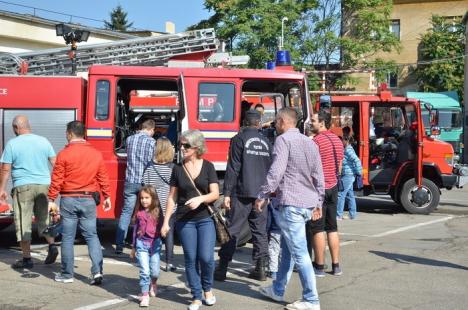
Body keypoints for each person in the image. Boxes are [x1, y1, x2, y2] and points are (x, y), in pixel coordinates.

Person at [255, 107, 324, 310]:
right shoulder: (309, 142)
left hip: (291, 203)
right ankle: (277, 289)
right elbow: (319, 175)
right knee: (288, 250)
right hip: (306, 202)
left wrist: (262, 194)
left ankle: (311, 299)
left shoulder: (283, 141)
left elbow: (276, 172)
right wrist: (318, 201)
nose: (275, 125)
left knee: (300, 253)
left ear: (283, 121)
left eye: (276, 121)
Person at [161, 129, 219, 310]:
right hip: (184, 220)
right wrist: (165, 222)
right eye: (180, 144)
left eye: (185, 145)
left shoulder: (208, 166)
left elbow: (215, 194)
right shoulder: (177, 169)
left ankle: (207, 289)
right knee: (190, 258)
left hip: (205, 218)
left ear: (196, 147)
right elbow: (172, 197)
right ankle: (196, 296)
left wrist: (200, 199)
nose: (181, 148)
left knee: (206, 257)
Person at [48, 121, 111, 284]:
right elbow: (103, 176)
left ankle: (67, 274)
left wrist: (51, 199)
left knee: (68, 237)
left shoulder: (64, 154)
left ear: (69, 134)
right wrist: (107, 196)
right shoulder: (96, 154)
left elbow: (57, 179)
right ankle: (97, 272)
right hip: (89, 199)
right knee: (92, 235)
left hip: (69, 199)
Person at [214, 110, 272, 282]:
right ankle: (260, 268)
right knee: (260, 231)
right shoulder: (267, 141)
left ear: (244, 122)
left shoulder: (238, 139)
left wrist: (227, 193)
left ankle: (222, 268)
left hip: (242, 191)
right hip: (261, 193)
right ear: (258, 123)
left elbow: (233, 168)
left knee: (232, 230)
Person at [0, 115, 58, 269]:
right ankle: (52, 246)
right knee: (44, 219)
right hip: (44, 185)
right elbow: (55, 163)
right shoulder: (43, 141)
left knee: (23, 222)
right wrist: (57, 185)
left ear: (16, 128)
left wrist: (1, 189)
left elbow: (5, 169)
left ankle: (26, 259)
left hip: (23, 187)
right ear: (28, 125)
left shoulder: (12, 144)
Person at [307, 110, 344, 277]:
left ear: (322, 123)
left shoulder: (317, 141)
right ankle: (336, 265)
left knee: (317, 229)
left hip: (319, 189)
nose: (310, 123)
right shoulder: (337, 140)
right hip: (334, 186)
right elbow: (340, 165)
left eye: (313, 120)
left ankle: (319, 266)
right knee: (332, 227)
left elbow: (311, 167)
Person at [115, 119, 156, 254]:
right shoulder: (151, 142)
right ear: (151, 130)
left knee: (126, 212)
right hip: (144, 182)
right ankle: (144, 242)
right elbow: (152, 161)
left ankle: (119, 246)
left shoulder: (130, 139)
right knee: (147, 212)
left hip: (130, 181)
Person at [142, 137, 176, 272]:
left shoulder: (150, 166)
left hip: (154, 205)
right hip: (168, 204)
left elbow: (145, 185)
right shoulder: (173, 168)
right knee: (169, 232)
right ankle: (169, 262)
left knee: (153, 232)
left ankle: (152, 259)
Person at [130, 186, 163, 307]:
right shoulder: (139, 213)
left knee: (154, 271)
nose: (144, 200)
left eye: (147, 198)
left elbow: (165, 227)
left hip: (155, 244)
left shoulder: (158, 212)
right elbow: (135, 231)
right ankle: (144, 295)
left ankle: (153, 283)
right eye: (142, 198)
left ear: (153, 198)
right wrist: (133, 247)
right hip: (141, 244)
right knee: (144, 271)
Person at [336, 134, 362, 220]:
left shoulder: (348, 150)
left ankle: (338, 215)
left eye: (342, 140)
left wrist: (359, 172)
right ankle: (352, 215)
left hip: (348, 174)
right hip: (350, 174)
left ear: (346, 141)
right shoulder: (348, 149)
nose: (341, 142)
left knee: (340, 194)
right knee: (350, 195)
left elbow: (357, 160)